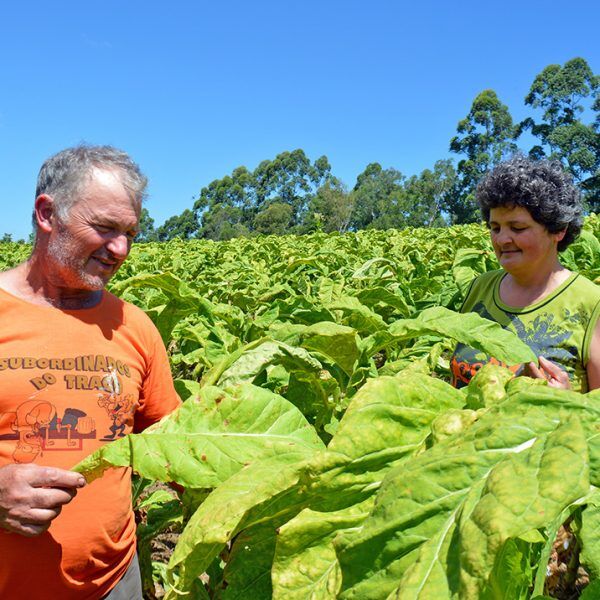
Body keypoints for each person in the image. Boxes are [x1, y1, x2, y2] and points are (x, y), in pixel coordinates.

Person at [0, 145, 180, 599]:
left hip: (113, 584)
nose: (120, 249)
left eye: (130, 233)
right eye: (105, 228)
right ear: (47, 213)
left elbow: (177, 443)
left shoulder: (133, 325)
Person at [450, 155, 600, 392]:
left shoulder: (591, 304)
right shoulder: (480, 288)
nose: (501, 239)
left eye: (517, 228)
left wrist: (568, 400)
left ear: (558, 229)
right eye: (495, 228)